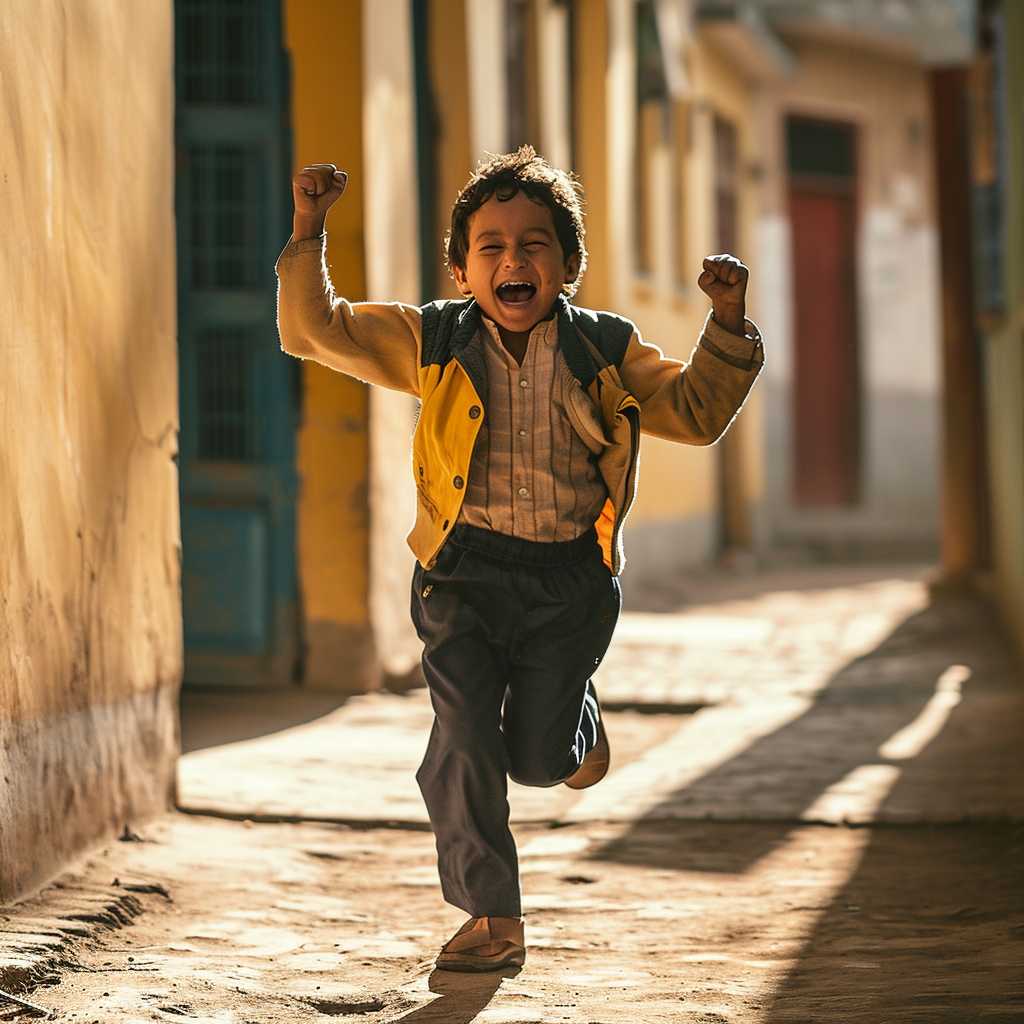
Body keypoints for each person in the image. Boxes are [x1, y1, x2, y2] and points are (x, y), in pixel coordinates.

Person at [276, 146, 763, 973]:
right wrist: (310, 229)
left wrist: (724, 322)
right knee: (463, 737)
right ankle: (491, 918)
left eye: (535, 245)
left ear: (568, 266)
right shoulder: (431, 340)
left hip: (567, 584)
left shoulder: (604, 349)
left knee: (537, 760)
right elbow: (317, 330)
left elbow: (694, 411)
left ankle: (575, 731)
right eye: (490, 246)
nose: (513, 260)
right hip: (461, 574)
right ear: (462, 270)